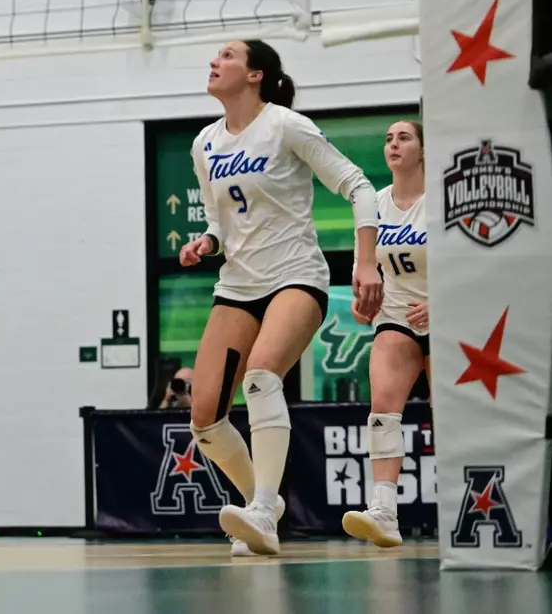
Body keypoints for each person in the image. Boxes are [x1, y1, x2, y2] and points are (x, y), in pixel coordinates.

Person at [178, 40, 381, 557]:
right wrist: (206, 242)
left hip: (295, 276)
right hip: (238, 285)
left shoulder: (286, 124)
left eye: (226, 55)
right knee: (204, 417)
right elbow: (217, 221)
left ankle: (265, 507)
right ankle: (258, 506)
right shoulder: (205, 143)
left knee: (262, 374)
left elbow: (358, 187)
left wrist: (365, 261)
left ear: (255, 74)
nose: (214, 61)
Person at [343, 120, 427, 549]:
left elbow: (476, 262)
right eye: (388, 139)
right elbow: (366, 273)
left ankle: (464, 504)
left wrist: (445, 301)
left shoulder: (444, 200)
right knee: (382, 410)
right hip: (397, 317)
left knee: (456, 417)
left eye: (404, 137)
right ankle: (385, 511)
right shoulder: (373, 205)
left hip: (449, 315)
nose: (393, 144)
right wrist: (363, 303)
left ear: (424, 150)